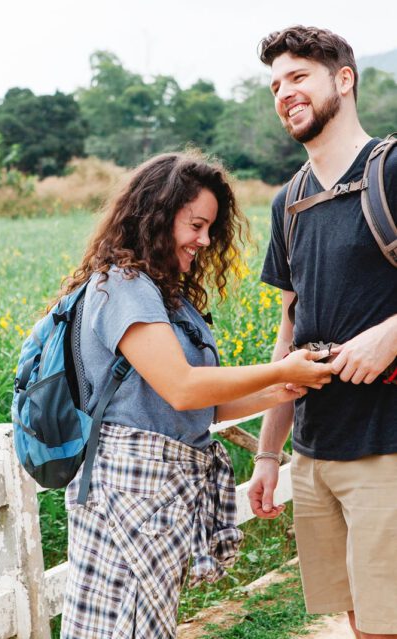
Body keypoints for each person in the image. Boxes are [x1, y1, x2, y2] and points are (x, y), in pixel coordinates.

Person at [57, 150, 332, 639]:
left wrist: (282, 387)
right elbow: (183, 388)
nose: (204, 241)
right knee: (126, 627)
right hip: (130, 490)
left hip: (157, 493)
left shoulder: (166, 295)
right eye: (196, 225)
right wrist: (277, 368)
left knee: (147, 624)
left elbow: (208, 405)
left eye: (210, 229)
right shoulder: (125, 286)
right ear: (156, 216)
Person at [247, 26, 397, 639]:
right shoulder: (289, 201)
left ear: (344, 79)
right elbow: (290, 332)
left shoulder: (392, 170)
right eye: (276, 83)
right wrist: (267, 453)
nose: (284, 92)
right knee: (360, 618)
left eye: (299, 76)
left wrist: (392, 332)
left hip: (386, 444)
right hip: (314, 453)